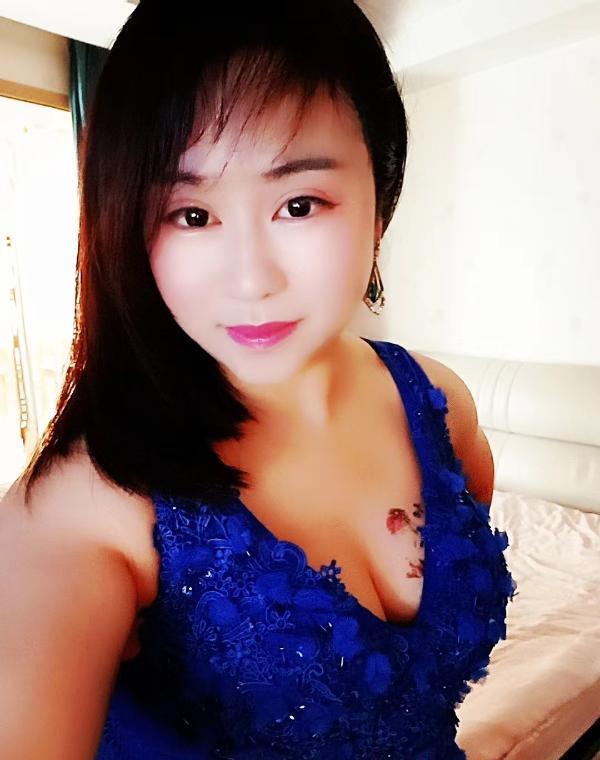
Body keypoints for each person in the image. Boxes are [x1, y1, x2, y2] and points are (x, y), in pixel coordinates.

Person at [0, 0, 517, 757]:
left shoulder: (441, 408)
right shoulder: (85, 506)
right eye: (190, 215)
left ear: (380, 201)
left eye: (298, 204)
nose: (250, 280)